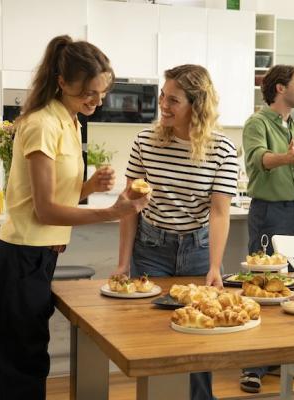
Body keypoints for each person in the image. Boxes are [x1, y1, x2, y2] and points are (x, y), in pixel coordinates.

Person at [0, 35, 148, 400]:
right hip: (19, 257)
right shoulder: (42, 124)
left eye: (102, 93)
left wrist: (88, 187)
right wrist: (112, 211)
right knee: (19, 367)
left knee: (25, 362)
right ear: (61, 82)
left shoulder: (70, 122)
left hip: (40, 256)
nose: (96, 100)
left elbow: (56, 196)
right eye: (88, 92)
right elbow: (44, 211)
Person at [114, 64, 238, 400]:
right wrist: (123, 264)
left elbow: (219, 212)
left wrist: (215, 267)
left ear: (196, 106)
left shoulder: (223, 150)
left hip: (198, 250)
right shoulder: (145, 142)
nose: (163, 105)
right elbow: (130, 208)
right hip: (151, 247)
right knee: (154, 341)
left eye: (173, 100)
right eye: (162, 97)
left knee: (200, 340)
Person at [240, 64, 294, 393]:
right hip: (268, 213)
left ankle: (283, 356)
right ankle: (252, 367)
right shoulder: (256, 123)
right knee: (262, 286)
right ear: (279, 88)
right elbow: (259, 159)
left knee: (292, 286)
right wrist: (289, 159)